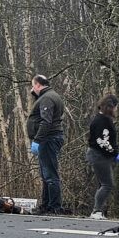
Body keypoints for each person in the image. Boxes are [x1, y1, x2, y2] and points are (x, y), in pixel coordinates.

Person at [26, 74, 67, 215]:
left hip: (49, 139)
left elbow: (46, 121)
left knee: (50, 174)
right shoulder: (49, 96)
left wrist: (37, 140)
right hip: (50, 138)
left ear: (38, 85)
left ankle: (54, 206)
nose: (32, 89)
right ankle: (46, 205)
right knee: (46, 174)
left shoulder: (47, 98)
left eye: (33, 86)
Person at [86, 95, 119, 219]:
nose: (116, 110)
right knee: (107, 184)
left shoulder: (99, 119)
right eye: (115, 107)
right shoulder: (103, 121)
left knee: (102, 184)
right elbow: (102, 141)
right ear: (110, 107)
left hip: (98, 154)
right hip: (99, 155)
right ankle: (96, 211)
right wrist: (114, 153)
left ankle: (98, 210)